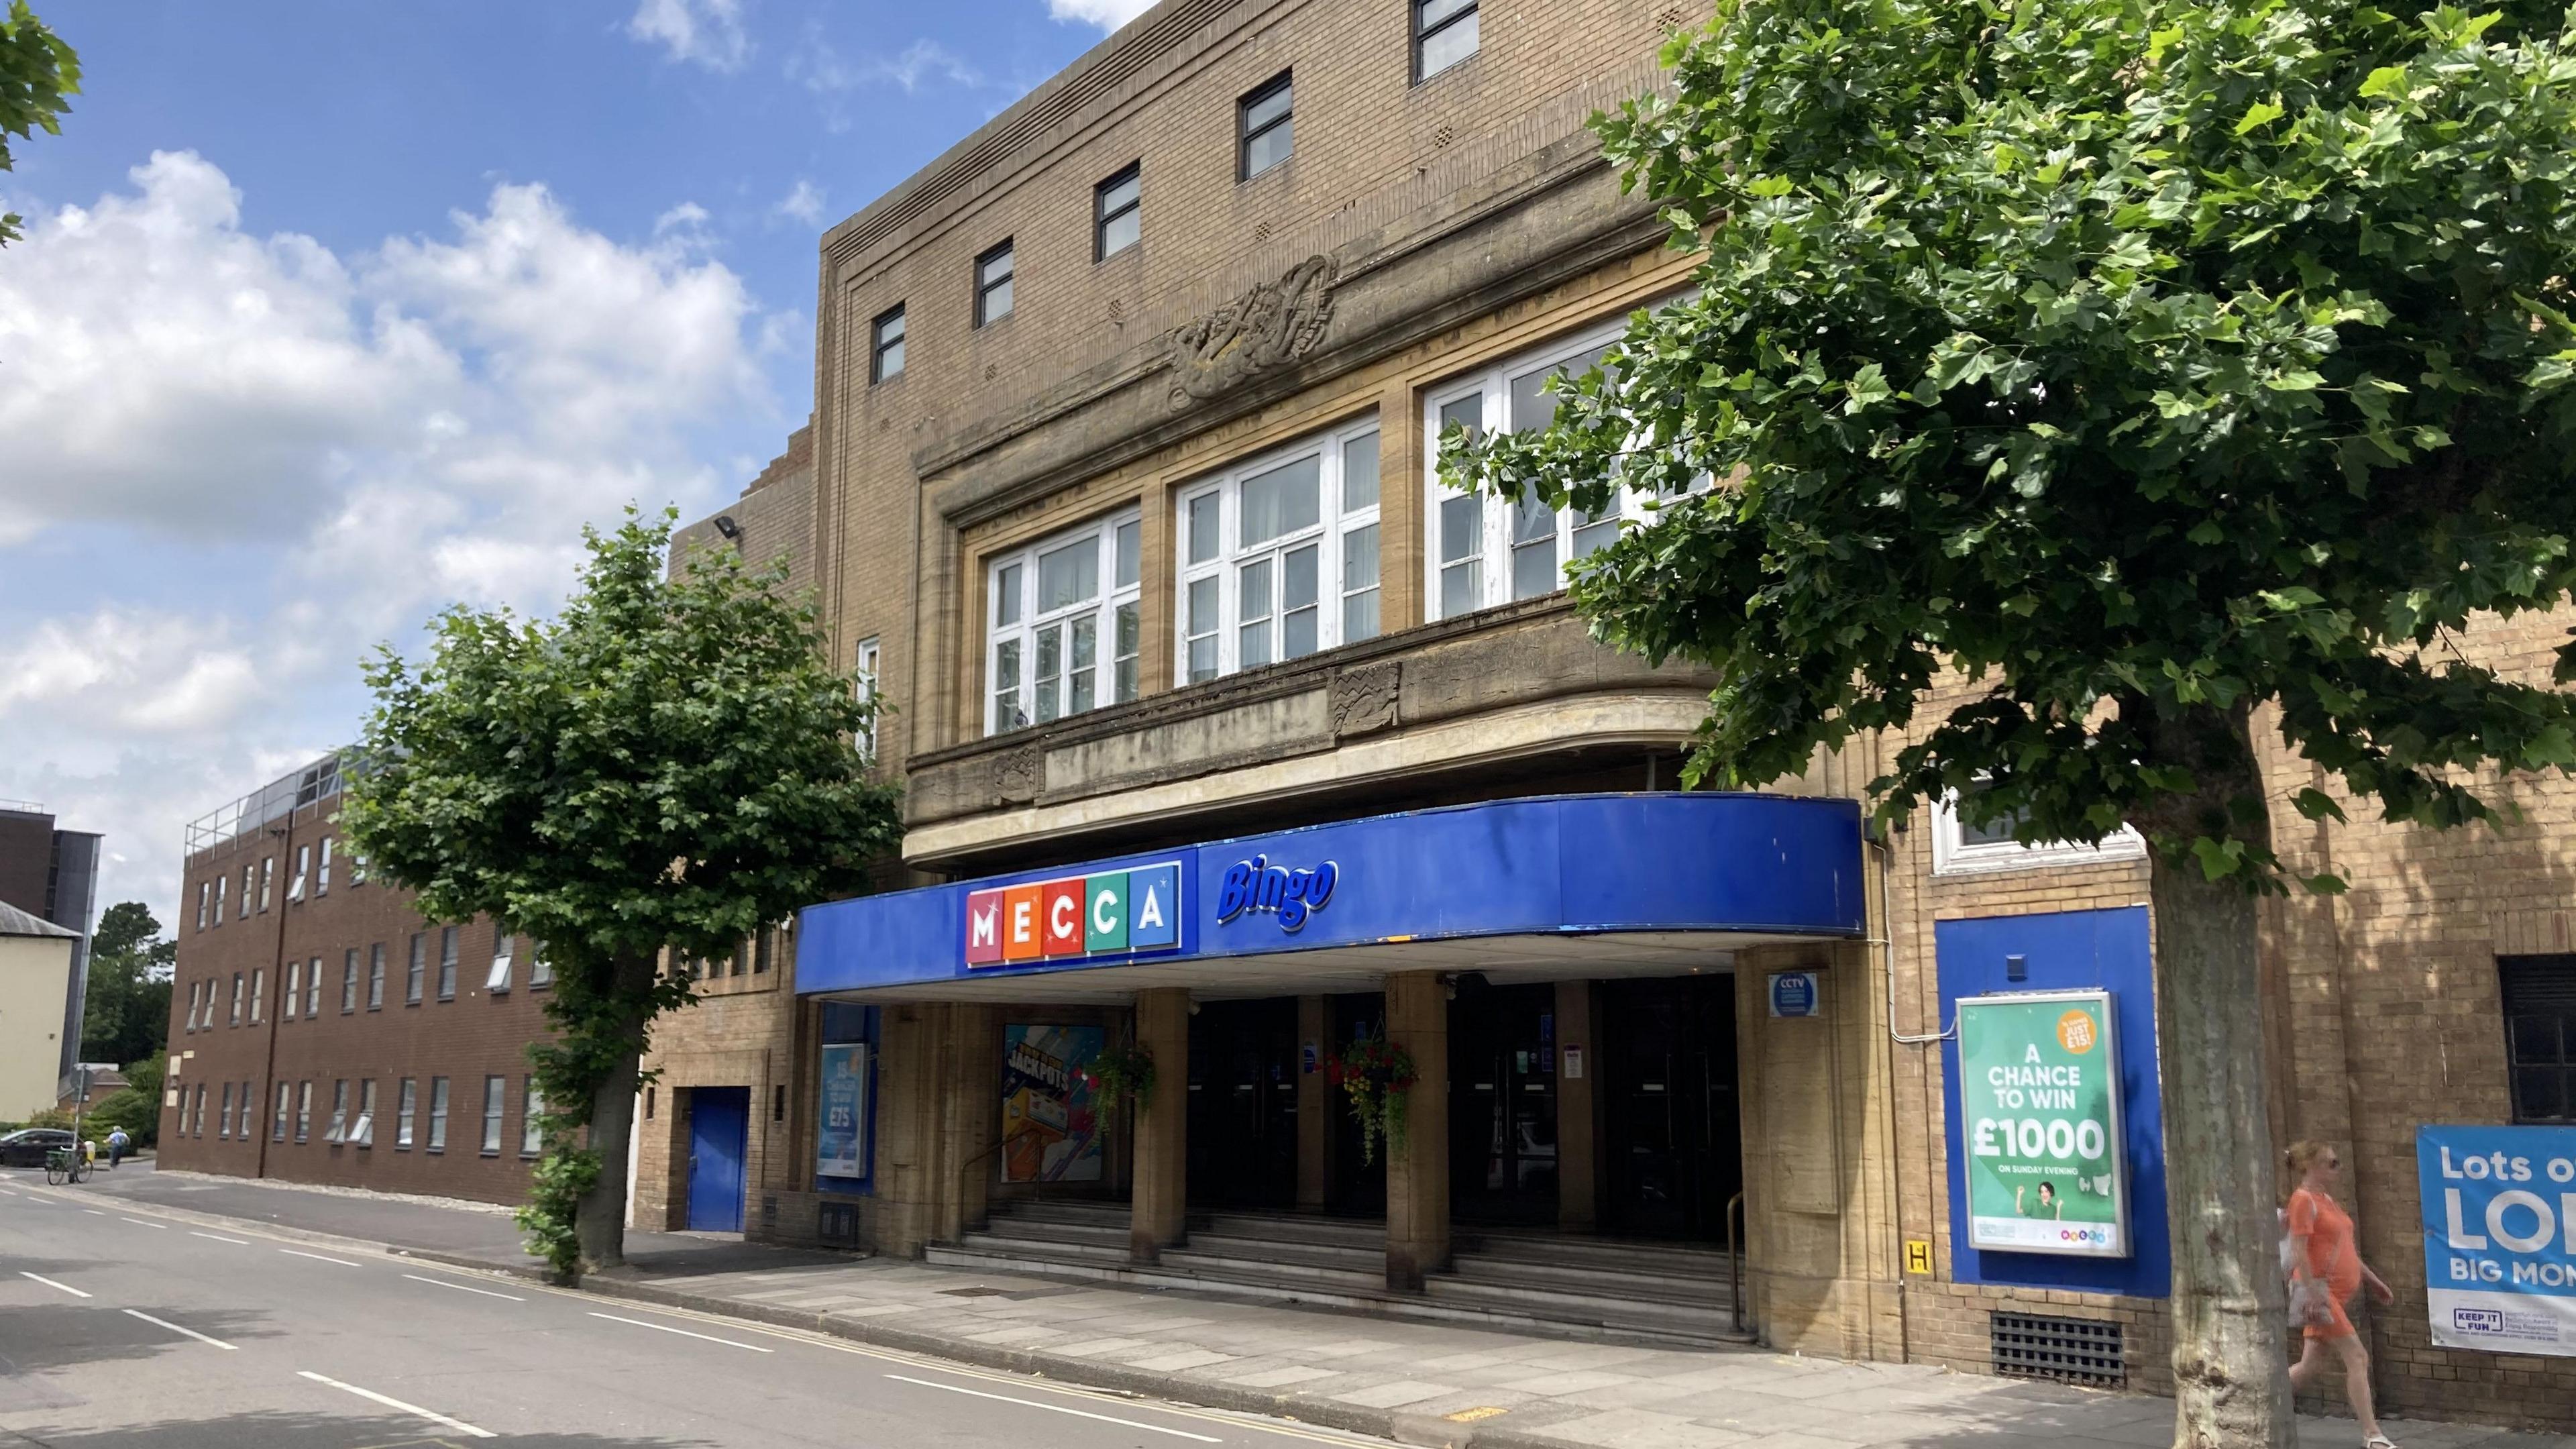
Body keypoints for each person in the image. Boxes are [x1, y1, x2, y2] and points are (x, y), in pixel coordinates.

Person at [2284, 1140, 2398, 1449]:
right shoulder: (2303, 1200)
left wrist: (2373, 1280)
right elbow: (2299, 1251)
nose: (2338, 1168)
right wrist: (2312, 1293)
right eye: (2331, 1163)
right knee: (2358, 1357)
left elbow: (2345, 1248)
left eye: (2337, 1162)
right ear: (2310, 1166)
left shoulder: (2327, 1200)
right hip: (2321, 1293)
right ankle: (2372, 1434)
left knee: (2309, 1367)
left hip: (2332, 1293)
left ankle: (2257, 1399)